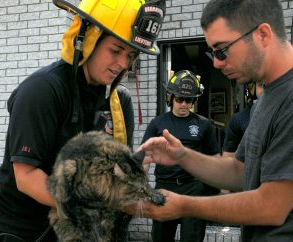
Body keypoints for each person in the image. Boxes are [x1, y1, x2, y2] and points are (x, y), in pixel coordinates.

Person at [0, 0, 166, 241]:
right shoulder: (42, 91)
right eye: (115, 50)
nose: (123, 63)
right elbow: (26, 177)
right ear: (87, 38)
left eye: (131, 54)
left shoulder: (116, 101)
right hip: (24, 231)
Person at [125, 0, 293, 241]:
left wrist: (186, 206)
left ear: (263, 35)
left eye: (221, 50)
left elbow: (272, 206)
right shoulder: (267, 99)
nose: (216, 63)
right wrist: (182, 155)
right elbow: (239, 170)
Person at [141, 70, 220, 242]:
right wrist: (141, 185)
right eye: (179, 99)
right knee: (161, 238)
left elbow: (215, 158)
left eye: (189, 100)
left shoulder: (204, 125)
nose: (184, 104)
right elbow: (144, 157)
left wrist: (215, 190)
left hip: (193, 189)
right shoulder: (158, 123)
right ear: (171, 98)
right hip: (165, 188)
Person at [222, 82, 263, 158]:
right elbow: (228, 157)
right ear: (252, 88)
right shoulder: (238, 119)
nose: (267, 89)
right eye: (262, 85)